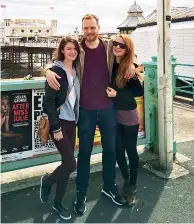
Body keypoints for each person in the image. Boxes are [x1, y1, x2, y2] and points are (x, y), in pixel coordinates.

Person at [44, 14, 136, 216]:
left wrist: (131, 64)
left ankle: (109, 187)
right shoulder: (77, 49)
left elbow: (127, 50)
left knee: (110, 150)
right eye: (85, 28)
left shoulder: (108, 45)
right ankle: (81, 193)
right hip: (85, 111)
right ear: (82, 29)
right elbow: (57, 61)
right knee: (84, 154)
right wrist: (47, 71)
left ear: (99, 27)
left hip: (107, 109)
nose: (89, 31)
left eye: (92, 27)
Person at [39, 37, 80, 220]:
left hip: (72, 122)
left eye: (74, 49)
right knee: (71, 164)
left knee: (67, 163)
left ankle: (57, 202)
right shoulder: (56, 71)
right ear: (62, 50)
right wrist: (55, 128)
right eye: (68, 48)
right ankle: (47, 181)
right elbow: (48, 102)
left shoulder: (76, 71)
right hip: (60, 123)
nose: (72, 51)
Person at [106, 34, 143, 207]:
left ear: (127, 49)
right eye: (115, 44)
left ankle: (132, 185)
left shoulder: (129, 69)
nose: (117, 47)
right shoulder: (112, 65)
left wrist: (117, 94)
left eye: (121, 45)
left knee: (130, 150)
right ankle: (126, 179)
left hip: (129, 114)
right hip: (115, 114)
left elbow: (138, 92)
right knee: (119, 151)